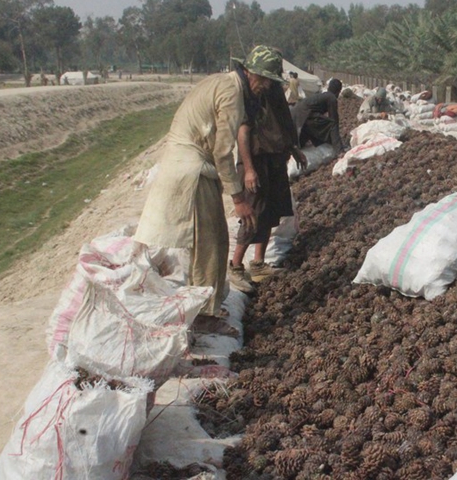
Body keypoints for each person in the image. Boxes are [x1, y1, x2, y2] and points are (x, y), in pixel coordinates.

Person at [133, 44, 282, 336]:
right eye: (264, 80)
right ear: (251, 73)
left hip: (190, 164)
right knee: (210, 244)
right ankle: (203, 316)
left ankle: (206, 306)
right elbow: (222, 151)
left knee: (210, 241)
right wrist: (238, 198)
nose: (265, 87)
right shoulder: (232, 94)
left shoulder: (225, 83)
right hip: (192, 170)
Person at [229, 64, 307, 289]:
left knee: (270, 211)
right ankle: (235, 266)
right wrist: (249, 169)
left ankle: (258, 264)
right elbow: (243, 132)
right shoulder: (249, 95)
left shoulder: (271, 90)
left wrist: (293, 148)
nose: (267, 83)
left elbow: (283, 122)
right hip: (256, 159)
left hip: (274, 158)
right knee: (252, 213)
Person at [291, 78, 345, 155]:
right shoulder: (331, 97)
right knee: (330, 124)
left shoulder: (324, 95)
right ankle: (339, 152)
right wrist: (339, 148)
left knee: (311, 129)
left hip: (298, 114)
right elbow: (333, 122)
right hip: (305, 115)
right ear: (338, 91)